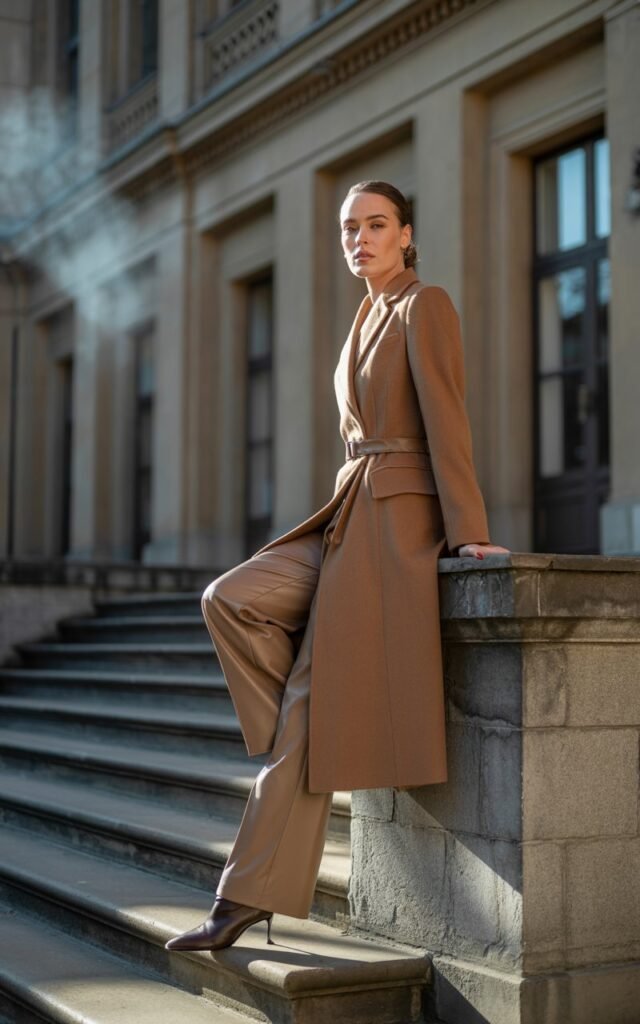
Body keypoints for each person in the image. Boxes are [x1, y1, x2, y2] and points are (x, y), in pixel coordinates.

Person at [164, 180, 510, 953]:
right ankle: (309, 715)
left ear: (406, 234)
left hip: (395, 529)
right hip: (347, 512)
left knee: (304, 719)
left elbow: (447, 417)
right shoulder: (363, 313)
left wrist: (467, 532)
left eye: (376, 225)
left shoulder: (428, 305)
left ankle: (243, 899)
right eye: (349, 228)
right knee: (231, 598)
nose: (360, 238)